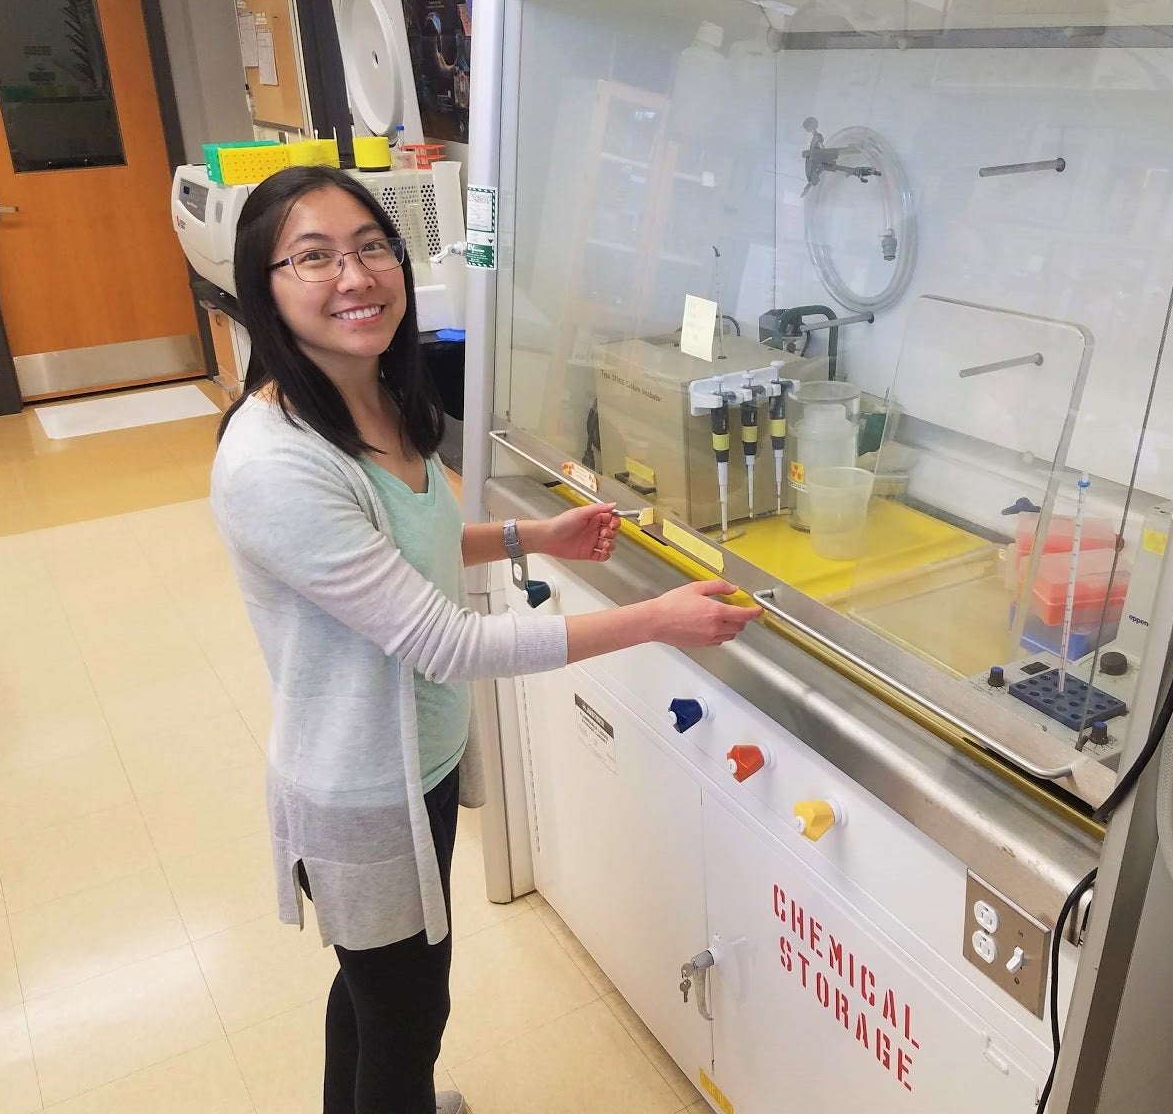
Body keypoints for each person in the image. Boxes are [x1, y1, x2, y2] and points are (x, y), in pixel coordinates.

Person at [211, 165, 761, 1114]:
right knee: (407, 1017)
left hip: (413, 759)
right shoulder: (275, 462)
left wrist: (529, 535)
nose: (354, 277)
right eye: (313, 258)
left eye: (370, 246)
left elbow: (401, 550)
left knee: (375, 993)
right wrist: (655, 622)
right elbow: (445, 641)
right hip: (359, 787)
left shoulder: (376, 396)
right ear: (263, 291)